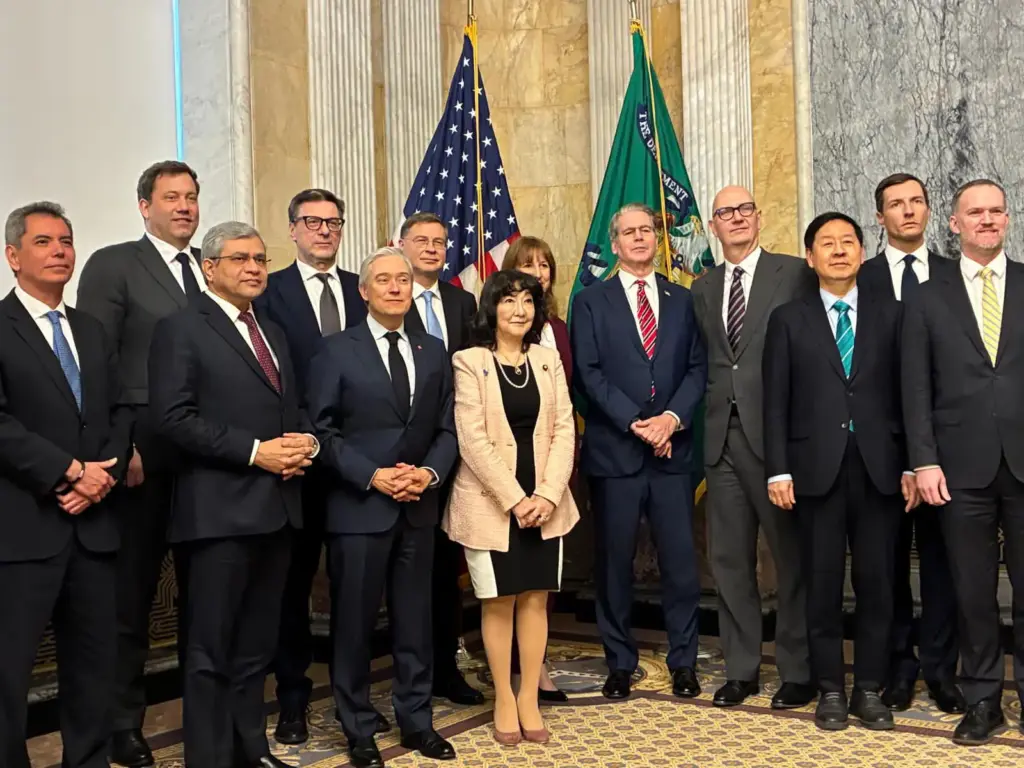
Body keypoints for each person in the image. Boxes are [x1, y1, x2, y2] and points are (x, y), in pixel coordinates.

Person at [149, 222, 317, 768]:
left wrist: (305, 442)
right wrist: (255, 452)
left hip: (277, 511)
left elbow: (290, 408)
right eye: (240, 258)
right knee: (209, 651)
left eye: (260, 259)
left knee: (254, 648)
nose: (253, 268)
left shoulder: (272, 331)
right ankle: (209, 757)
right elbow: (173, 418)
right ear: (209, 267)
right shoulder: (180, 328)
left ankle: (250, 748)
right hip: (217, 515)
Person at [763, 211, 919, 732]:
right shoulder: (789, 319)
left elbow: (909, 395)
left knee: (878, 584)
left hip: (881, 470)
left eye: (847, 242)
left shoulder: (893, 314)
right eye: (826, 243)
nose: (838, 250)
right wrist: (778, 471)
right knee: (822, 584)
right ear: (810, 257)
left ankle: (869, 688)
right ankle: (830, 688)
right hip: (814, 472)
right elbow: (775, 403)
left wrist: (912, 463)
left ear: (861, 251)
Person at [308, 247, 459, 768]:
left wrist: (428, 474)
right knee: (353, 626)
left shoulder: (433, 350)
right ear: (364, 291)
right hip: (358, 509)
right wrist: (372, 476)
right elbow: (321, 432)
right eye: (384, 280)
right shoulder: (335, 351)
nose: (396, 288)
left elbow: (447, 427)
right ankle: (357, 728)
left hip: (418, 507)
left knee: (416, 623)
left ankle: (417, 722)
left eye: (403, 280)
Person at [77, 160, 203, 768]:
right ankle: (123, 723)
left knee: (205, 591)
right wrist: (118, 444)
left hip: (208, 453)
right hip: (141, 453)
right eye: (171, 197)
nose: (184, 206)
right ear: (144, 206)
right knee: (131, 595)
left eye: (191, 196)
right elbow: (95, 360)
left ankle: (206, 715)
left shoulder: (211, 266)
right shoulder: (114, 264)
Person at [0, 202, 131, 768]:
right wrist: (70, 471)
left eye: (66, 241)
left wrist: (102, 477)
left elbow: (120, 413)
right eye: (44, 242)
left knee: (95, 667)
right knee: (8, 672)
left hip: (94, 528)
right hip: (23, 530)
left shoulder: (90, 329)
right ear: (13, 256)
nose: (59, 251)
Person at [902, 179, 1024, 746]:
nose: (987, 220)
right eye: (975, 212)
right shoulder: (928, 296)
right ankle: (982, 701)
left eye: (996, 211)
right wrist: (923, 461)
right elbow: (915, 388)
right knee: (972, 593)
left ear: (1008, 219)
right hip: (957, 469)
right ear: (954, 224)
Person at [570, 203, 708, 701]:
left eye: (646, 229)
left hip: (673, 453)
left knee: (681, 566)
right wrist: (635, 422)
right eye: (628, 232)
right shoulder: (591, 301)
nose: (638, 238)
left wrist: (670, 419)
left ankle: (684, 662)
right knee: (614, 565)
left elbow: (697, 368)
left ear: (657, 237)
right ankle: (619, 663)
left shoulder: (683, 298)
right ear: (615, 244)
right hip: (616, 454)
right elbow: (588, 374)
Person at [252, 188, 370, 744]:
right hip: (295, 463)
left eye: (333, 222)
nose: (324, 230)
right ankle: (293, 700)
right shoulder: (268, 292)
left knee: (354, 587)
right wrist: (300, 439)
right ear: (292, 229)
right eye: (313, 222)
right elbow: (269, 374)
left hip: (355, 465)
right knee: (291, 587)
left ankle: (356, 700)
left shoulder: (363, 289)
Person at [691, 186, 816, 709]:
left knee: (791, 558)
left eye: (745, 209)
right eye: (726, 212)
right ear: (713, 226)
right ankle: (740, 669)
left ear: (759, 218)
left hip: (778, 440)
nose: (737, 218)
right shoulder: (702, 286)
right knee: (729, 561)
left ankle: (797, 670)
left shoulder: (795, 273)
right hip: (721, 438)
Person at [444, 270, 579, 745]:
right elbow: (472, 440)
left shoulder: (547, 359)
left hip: (546, 501)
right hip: (492, 502)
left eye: (527, 301)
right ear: (491, 308)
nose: (519, 310)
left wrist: (547, 494)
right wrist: (517, 500)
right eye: (508, 301)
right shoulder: (469, 361)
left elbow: (564, 428)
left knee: (536, 598)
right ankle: (503, 695)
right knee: (499, 600)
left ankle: (528, 697)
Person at [859, 173, 964, 714]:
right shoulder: (859, 277)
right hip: (878, 449)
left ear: (929, 210)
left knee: (944, 563)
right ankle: (898, 668)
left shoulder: (955, 274)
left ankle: (942, 670)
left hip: (944, 449)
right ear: (880, 217)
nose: (908, 211)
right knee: (887, 565)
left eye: (916, 201)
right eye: (896, 204)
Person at [397, 212, 483, 706]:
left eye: (439, 241)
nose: (431, 248)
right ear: (401, 245)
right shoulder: (389, 298)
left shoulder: (461, 301)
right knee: (404, 575)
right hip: (401, 461)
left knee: (447, 572)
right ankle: (409, 675)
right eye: (421, 240)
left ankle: (447, 670)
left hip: (454, 454)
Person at [501, 235, 572, 703]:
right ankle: (506, 669)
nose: (538, 273)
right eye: (528, 265)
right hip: (506, 472)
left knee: (544, 578)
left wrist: (552, 484)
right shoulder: (486, 337)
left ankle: (536, 665)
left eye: (544, 266)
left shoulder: (559, 330)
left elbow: (568, 404)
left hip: (554, 470)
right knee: (507, 577)